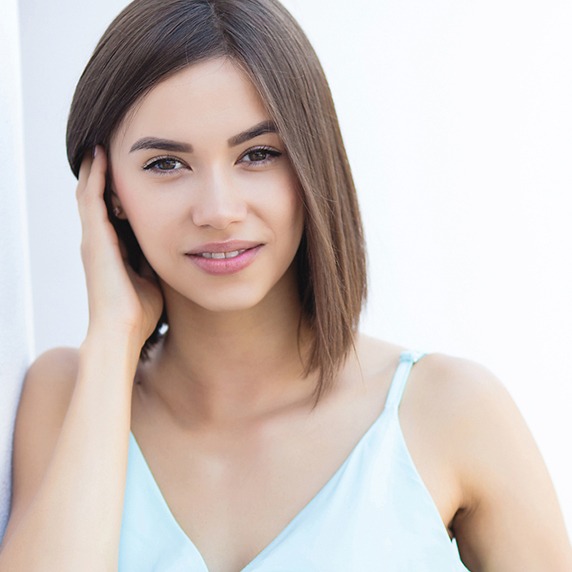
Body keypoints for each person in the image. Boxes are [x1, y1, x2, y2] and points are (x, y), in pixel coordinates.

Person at [1, 0, 570, 570]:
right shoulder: (68, 394)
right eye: (166, 165)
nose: (219, 211)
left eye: (259, 154)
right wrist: (114, 337)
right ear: (107, 190)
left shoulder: (450, 411)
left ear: (311, 163)